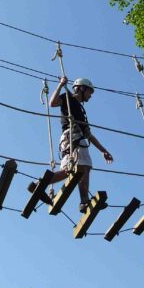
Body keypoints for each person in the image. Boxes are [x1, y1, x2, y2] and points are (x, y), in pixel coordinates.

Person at [49, 76, 114, 212]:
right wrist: (60, 85)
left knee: (72, 170)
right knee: (83, 166)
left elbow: (89, 134)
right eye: (90, 92)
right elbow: (52, 103)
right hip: (72, 136)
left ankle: (41, 183)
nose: (90, 96)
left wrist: (103, 150)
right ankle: (84, 201)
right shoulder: (68, 98)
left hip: (76, 137)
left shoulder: (81, 111)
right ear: (81, 89)